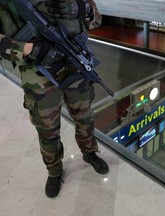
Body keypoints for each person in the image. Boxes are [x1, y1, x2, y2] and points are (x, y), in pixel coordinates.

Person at [0, 0, 109, 198]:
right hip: (38, 74)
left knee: (84, 116)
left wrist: (83, 9)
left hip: (75, 63)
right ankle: (54, 171)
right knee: (47, 129)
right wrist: (29, 50)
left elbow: (96, 21)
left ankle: (89, 152)